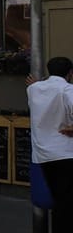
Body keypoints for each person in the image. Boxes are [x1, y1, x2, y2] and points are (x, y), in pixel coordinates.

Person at [28, 56, 73, 233]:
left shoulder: (33, 89)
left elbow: (39, 90)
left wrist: (36, 83)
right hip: (66, 152)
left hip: (42, 154)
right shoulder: (67, 89)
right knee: (67, 202)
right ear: (70, 73)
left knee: (54, 197)